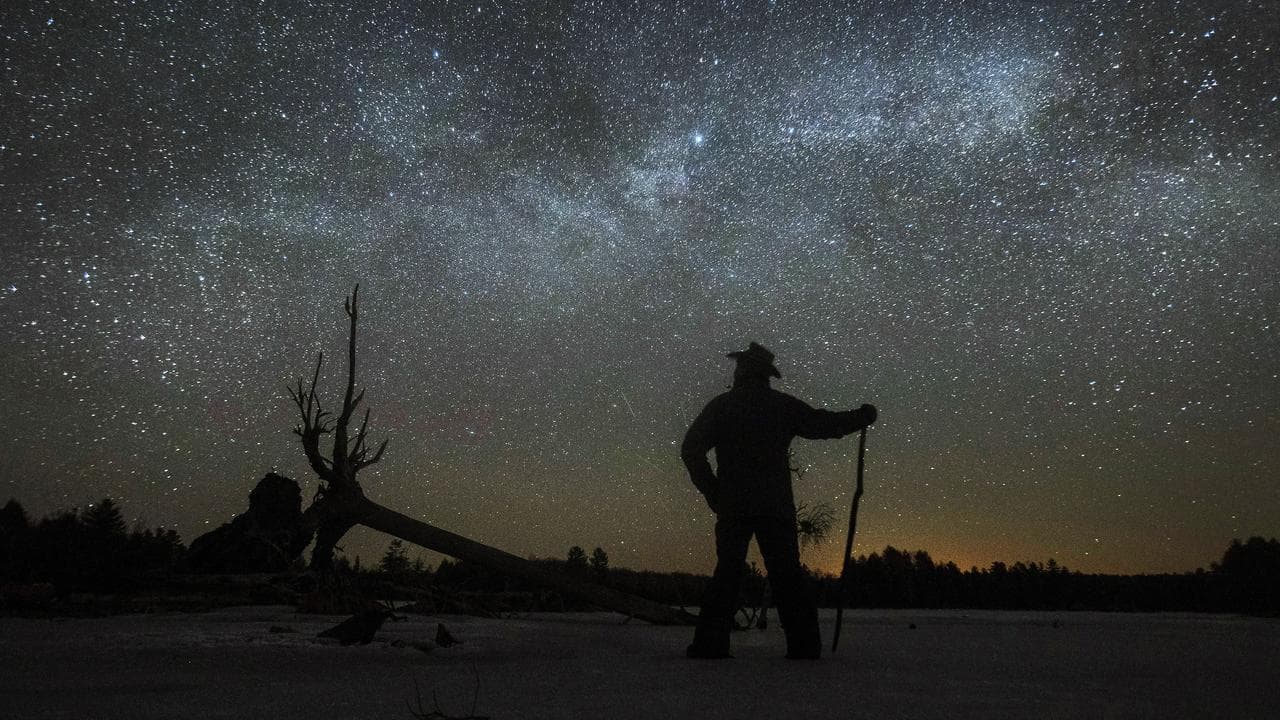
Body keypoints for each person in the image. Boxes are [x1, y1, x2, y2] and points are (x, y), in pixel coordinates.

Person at [682, 341, 877, 659]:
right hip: (774, 507)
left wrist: (715, 492)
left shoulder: (721, 407)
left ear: (742, 372)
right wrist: (860, 418)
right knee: (787, 574)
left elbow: (691, 450)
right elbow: (820, 424)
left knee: (728, 573)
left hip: (734, 506)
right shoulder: (780, 406)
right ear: (765, 375)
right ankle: (804, 646)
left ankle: (710, 643)